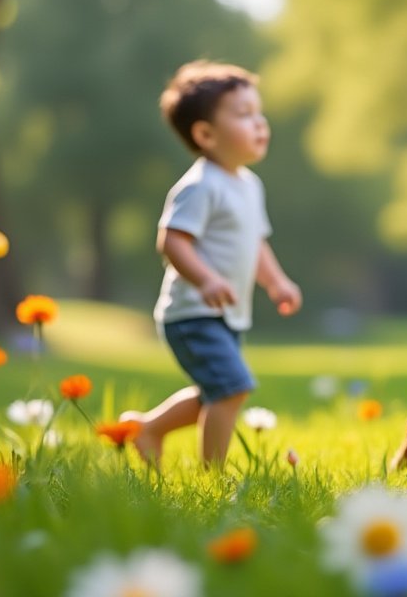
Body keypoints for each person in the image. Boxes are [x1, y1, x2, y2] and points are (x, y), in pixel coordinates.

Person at [121, 61, 302, 469]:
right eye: (243, 115)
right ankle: (212, 476)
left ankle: (148, 428)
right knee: (232, 389)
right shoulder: (200, 186)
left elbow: (255, 243)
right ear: (205, 134)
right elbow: (172, 240)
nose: (259, 123)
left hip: (225, 313)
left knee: (218, 391)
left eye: (259, 112)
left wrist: (276, 282)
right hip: (192, 314)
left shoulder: (249, 185)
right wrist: (205, 279)